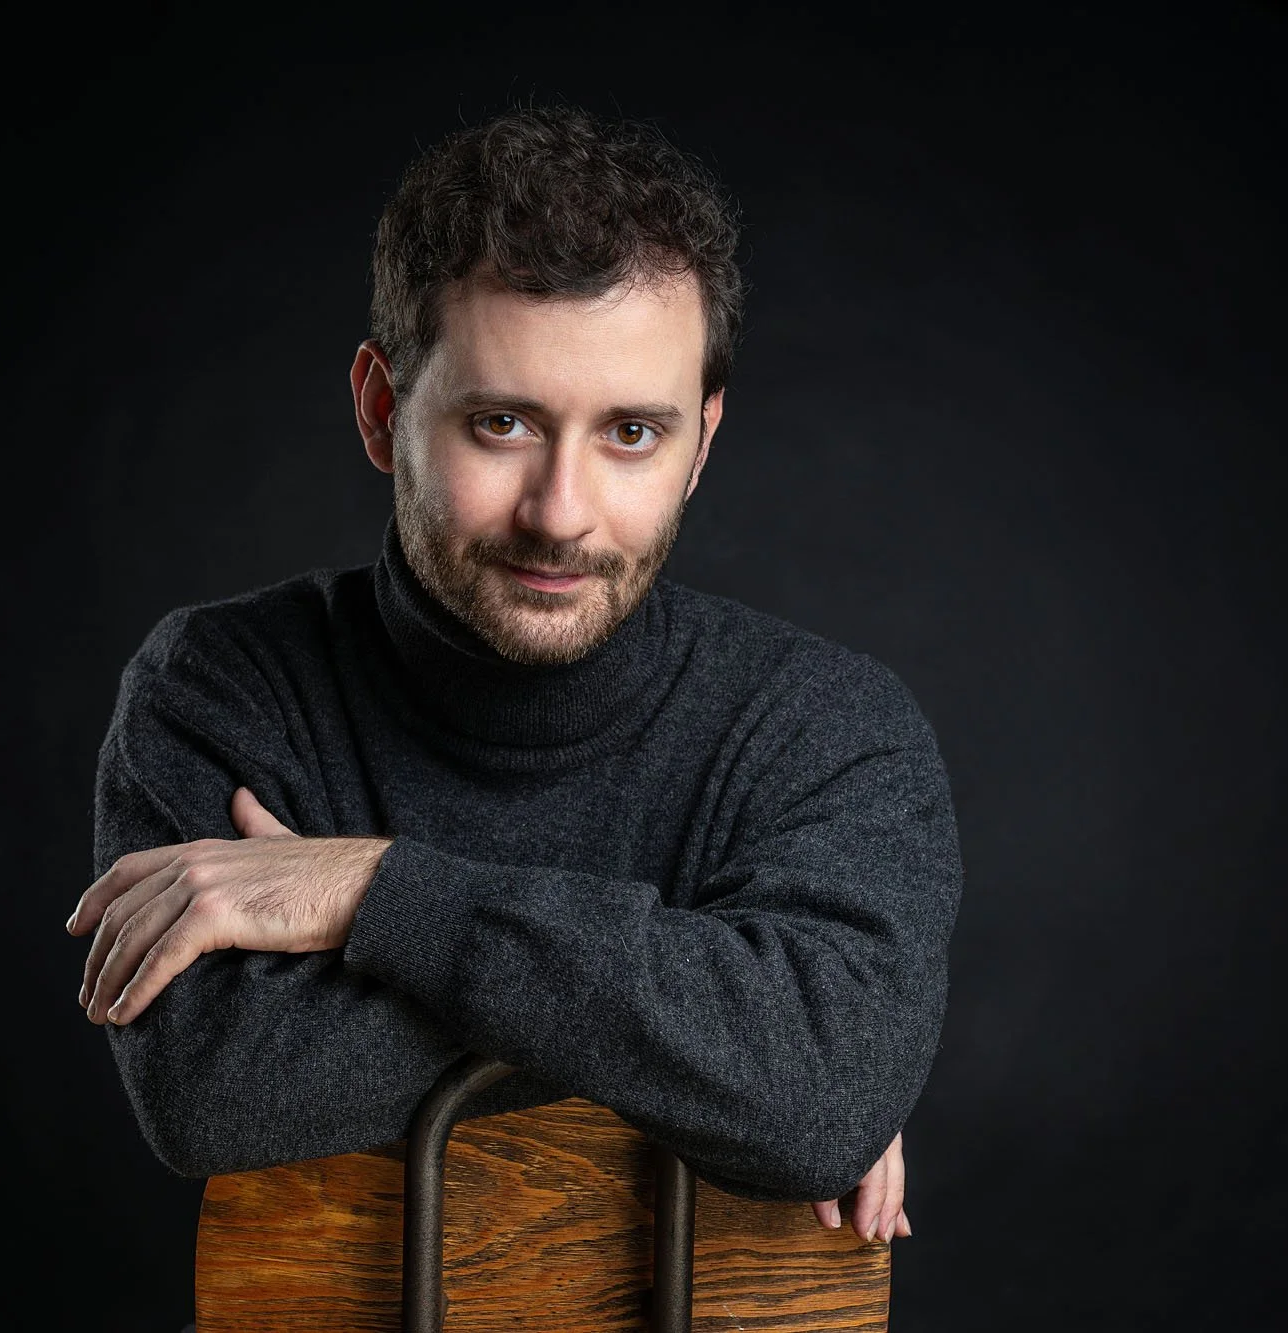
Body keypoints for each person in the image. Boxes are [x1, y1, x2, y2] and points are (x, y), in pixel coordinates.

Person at [65, 104, 962, 1248]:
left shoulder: (828, 726)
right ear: (383, 410)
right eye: (501, 423)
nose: (560, 513)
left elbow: (819, 1093)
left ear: (701, 444)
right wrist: (727, 1054)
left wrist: (373, 892)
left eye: (631, 434)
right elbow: (218, 1091)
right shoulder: (221, 687)